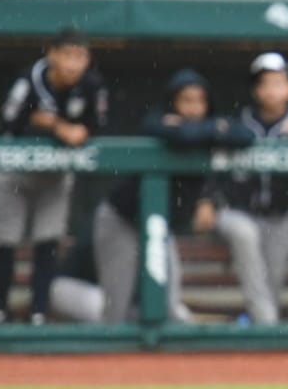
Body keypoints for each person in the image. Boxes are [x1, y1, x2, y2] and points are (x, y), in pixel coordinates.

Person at [93, 69, 253, 323]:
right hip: (123, 220)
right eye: (186, 100)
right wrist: (212, 129)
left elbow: (245, 136)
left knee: (167, 306)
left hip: (158, 224)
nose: (193, 107)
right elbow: (184, 136)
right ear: (173, 103)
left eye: (199, 100)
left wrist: (205, 130)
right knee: (115, 311)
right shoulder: (157, 122)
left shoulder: (209, 125)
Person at [195, 53, 288, 325]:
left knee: (272, 283)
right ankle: (267, 328)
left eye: (279, 82)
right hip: (238, 211)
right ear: (255, 89)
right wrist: (205, 200)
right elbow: (214, 165)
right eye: (265, 83)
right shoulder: (240, 121)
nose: (272, 90)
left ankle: (260, 332)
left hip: (280, 214)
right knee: (246, 234)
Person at [0, 27, 106, 325]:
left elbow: (95, 124)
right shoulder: (28, 79)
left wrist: (77, 129)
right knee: (5, 240)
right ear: (51, 53)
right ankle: (0, 309)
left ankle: (38, 313)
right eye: (66, 55)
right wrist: (56, 127)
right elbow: (10, 121)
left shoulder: (92, 85)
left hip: (55, 174)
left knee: (48, 241)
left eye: (79, 56)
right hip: (16, 171)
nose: (72, 64)